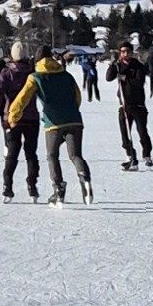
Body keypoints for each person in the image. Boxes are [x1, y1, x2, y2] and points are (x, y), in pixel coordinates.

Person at [7, 44, 92, 206]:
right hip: (74, 120)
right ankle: (84, 177)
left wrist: (13, 115)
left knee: (52, 156)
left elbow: (22, 99)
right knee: (75, 155)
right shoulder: (66, 75)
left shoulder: (35, 76)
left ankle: (58, 189)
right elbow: (77, 96)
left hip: (53, 123)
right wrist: (71, 111)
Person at [0, 41, 40, 202]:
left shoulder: (6, 73)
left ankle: (7, 187)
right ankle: (32, 186)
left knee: (12, 154)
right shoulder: (33, 71)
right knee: (31, 154)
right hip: (31, 118)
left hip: (12, 119)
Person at [106, 40, 153, 170]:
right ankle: (131, 156)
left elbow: (139, 82)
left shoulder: (138, 66)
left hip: (137, 104)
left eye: (127, 51)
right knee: (125, 134)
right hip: (124, 105)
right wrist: (112, 64)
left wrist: (125, 78)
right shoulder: (118, 65)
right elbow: (108, 78)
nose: (125, 54)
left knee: (142, 132)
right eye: (123, 52)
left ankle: (147, 153)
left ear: (131, 53)